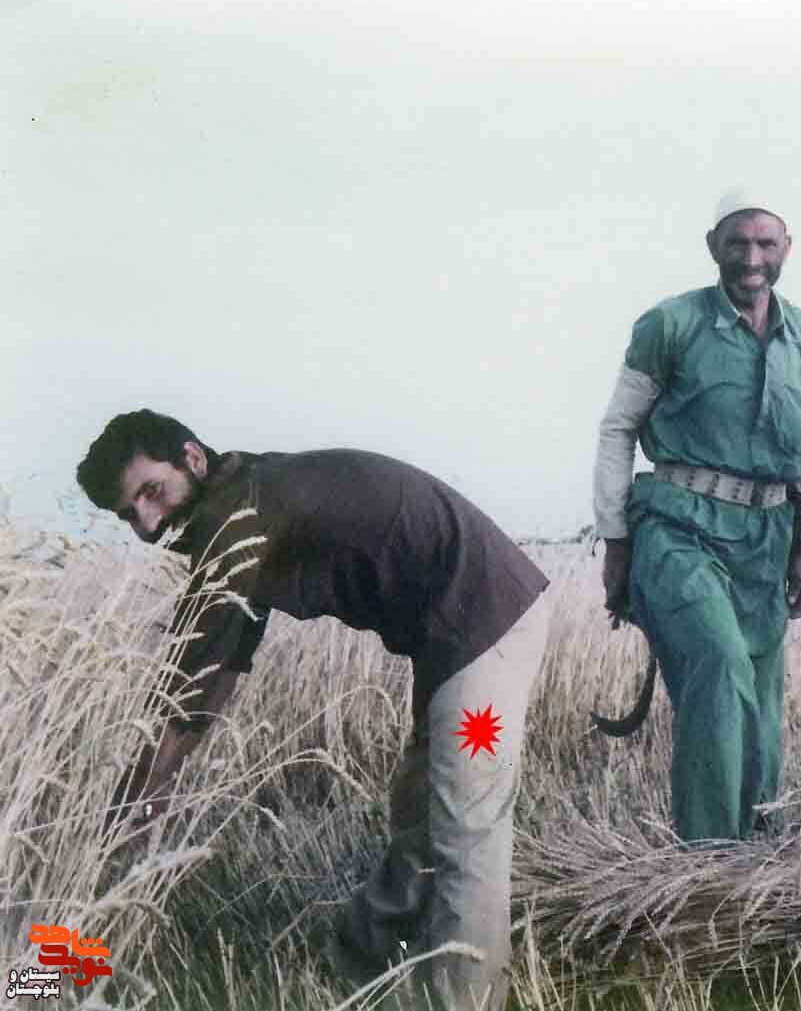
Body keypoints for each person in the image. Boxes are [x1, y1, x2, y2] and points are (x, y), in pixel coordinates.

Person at [77, 410, 549, 1011]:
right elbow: (224, 658)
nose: (147, 524)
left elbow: (191, 675)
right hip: (450, 633)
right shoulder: (241, 498)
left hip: (489, 624)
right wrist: (154, 786)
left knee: (467, 821)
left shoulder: (237, 513)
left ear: (192, 459)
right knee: (419, 806)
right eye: (128, 514)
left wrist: (136, 804)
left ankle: (464, 1000)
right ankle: (362, 966)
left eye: (152, 492)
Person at [592, 188, 801, 843]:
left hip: (765, 541)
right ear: (713, 248)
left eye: (765, 243)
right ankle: (707, 862)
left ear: (786, 249)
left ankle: (760, 860)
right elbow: (618, 428)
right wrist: (616, 541)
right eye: (737, 242)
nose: (751, 258)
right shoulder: (668, 324)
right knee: (723, 668)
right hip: (678, 530)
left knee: (760, 702)